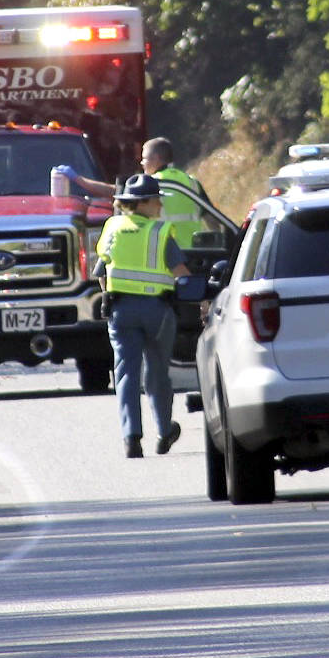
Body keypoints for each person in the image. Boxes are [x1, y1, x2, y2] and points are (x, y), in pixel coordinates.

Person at [95, 174, 191, 458]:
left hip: (121, 310)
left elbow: (101, 271)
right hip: (157, 312)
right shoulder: (160, 233)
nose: (160, 204)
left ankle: (131, 438)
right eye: (156, 199)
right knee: (158, 373)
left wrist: (109, 296)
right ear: (144, 203)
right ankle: (164, 430)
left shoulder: (113, 227)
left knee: (125, 373)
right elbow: (181, 275)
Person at [67, 137, 210, 247]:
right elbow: (211, 218)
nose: (141, 164)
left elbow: (114, 192)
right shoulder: (192, 182)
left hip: (161, 251)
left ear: (156, 159)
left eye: (144, 159)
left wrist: (79, 180)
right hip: (194, 253)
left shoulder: (151, 184)